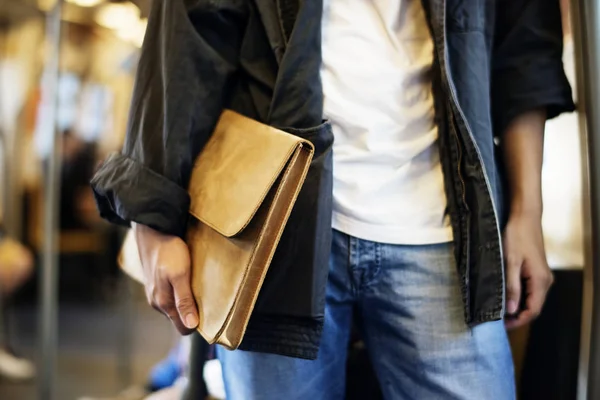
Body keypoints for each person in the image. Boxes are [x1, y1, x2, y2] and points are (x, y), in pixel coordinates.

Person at [91, 0, 574, 398]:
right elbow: (186, 31)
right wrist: (152, 220)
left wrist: (527, 213)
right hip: (274, 227)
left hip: (446, 229)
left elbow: (524, 51)